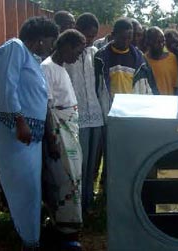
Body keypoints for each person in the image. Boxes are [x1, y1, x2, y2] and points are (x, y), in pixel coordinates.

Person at [0, 16, 59, 250]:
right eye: (50, 41)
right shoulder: (14, 48)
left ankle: (30, 238)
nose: (51, 46)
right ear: (39, 40)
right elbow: (4, 87)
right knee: (24, 190)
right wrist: (19, 121)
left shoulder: (33, 59)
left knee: (30, 189)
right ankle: (29, 241)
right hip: (13, 132)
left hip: (28, 135)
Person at [41, 29, 86, 251]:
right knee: (63, 179)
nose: (78, 56)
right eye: (77, 51)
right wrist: (52, 139)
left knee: (74, 177)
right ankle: (63, 232)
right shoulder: (47, 68)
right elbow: (47, 108)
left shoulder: (61, 68)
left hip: (69, 129)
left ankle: (69, 227)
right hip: (59, 132)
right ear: (66, 45)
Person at [65, 13, 110, 214]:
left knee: (92, 164)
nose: (90, 40)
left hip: (96, 115)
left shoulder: (94, 53)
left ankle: (88, 202)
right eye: (86, 35)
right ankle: (76, 206)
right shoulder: (67, 56)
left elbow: (100, 86)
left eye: (93, 36)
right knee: (79, 164)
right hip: (77, 117)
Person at [94, 17, 157, 99]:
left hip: (131, 107)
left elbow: (149, 84)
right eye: (123, 38)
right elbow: (95, 85)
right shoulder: (101, 57)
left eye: (129, 38)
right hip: (109, 107)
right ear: (113, 35)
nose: (126, 42)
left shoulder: (140, 59)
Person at [144, 27, 178, 95]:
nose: (161, 45)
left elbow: (176, 86)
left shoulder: (172, 58)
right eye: (157, 42)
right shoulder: (143, 61)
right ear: (148, 42)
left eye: (163, 41)